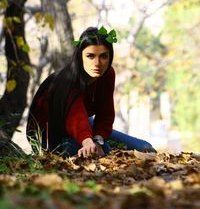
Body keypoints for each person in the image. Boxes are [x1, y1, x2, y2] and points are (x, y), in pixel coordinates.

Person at [26, 26, 156, 158]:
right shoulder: (68, 80)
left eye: (103, 56)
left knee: (145, 148)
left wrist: (98, 140)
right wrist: (88, 141)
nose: (97, 63)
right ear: (80, 56)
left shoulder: (108, 74)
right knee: (99, 153)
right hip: (51, 135)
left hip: (84, 124)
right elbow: (75, 116)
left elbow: (105, 114)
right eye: (90, 56)